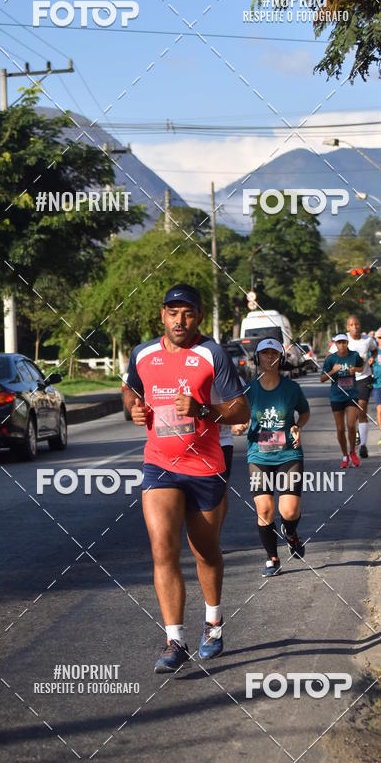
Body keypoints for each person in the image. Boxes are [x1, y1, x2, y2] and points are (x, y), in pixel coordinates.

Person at [123, 283, 249, 673]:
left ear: (197, 317)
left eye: (188, 313)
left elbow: (239, 408)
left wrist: (203, 410)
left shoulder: (211, 354)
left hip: (206, 465)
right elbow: (129, 390)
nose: (180, 320)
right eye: (173, 312)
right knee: (163, 547)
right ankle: (174, 639)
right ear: (162, 314)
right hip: (159, 462)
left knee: (204, 550)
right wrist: (134, 408)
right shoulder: (142, 354)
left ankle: (213, 623)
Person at [233, 338, 310, 577]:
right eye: (264, 354)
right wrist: (239, 425)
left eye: (274, 353)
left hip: (288, 453)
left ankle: (291, 533)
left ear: (281, 358)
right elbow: (240, 416)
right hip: (259, 455)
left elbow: (305, 412)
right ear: (257, 358)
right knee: (264, 509)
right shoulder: (249, 389)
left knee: (288, 511)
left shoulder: (292, 389)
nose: (269, 358)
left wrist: (297, 426)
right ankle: (272, 558)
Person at [321, 333, 364, 468]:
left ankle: (352, 452)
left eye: (344, 342)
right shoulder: (330, 359)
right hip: (336, 396)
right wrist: (333, 371)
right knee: (340, 429)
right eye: (339, 343)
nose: (341, 345)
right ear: (335, 344)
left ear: (347, 343)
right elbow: (322, 379)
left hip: (351, 395)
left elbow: (362, 367)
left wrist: (355, 370)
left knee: (351, 425)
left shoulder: (354, 355)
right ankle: (345, 455)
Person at [338, 316, 377, 458]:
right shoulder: (343, 340)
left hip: (364, 378)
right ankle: (356, 434)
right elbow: (331, 354)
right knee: (351, 415)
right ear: (347, 327)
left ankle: (363, 446)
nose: (354, 327)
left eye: (357, 324)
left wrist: (373, 358)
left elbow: (374, 350)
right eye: (351, 325)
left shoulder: (367, 340)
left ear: (360, 325)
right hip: (346, 381)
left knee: (361, 410)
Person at [371, 327, 381, 445]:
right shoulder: (373, 353)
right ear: (376, 339)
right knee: (380, 410)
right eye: (380, 338)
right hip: (377, 385)